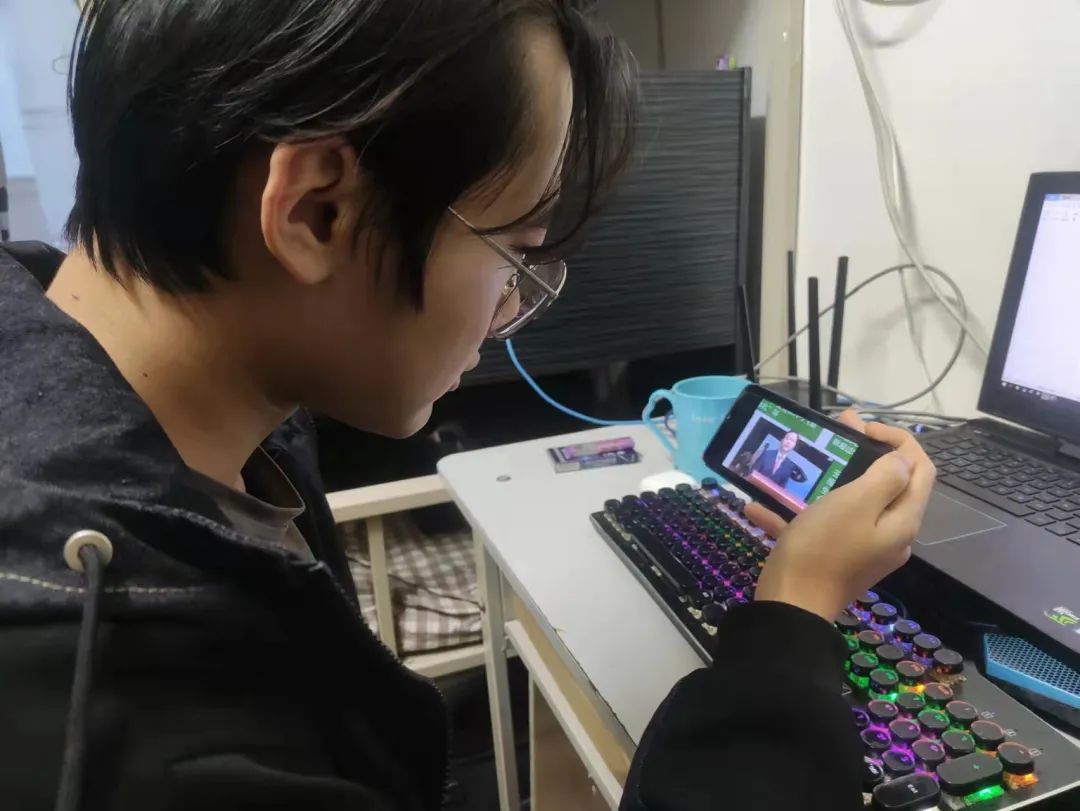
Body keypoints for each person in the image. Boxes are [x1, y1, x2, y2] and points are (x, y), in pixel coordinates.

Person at [0, 2, 935, 809]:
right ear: (317, 213)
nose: (510, 307)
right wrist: (795, 613)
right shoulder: (144, 742)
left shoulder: (191, 430)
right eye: (516, 247)